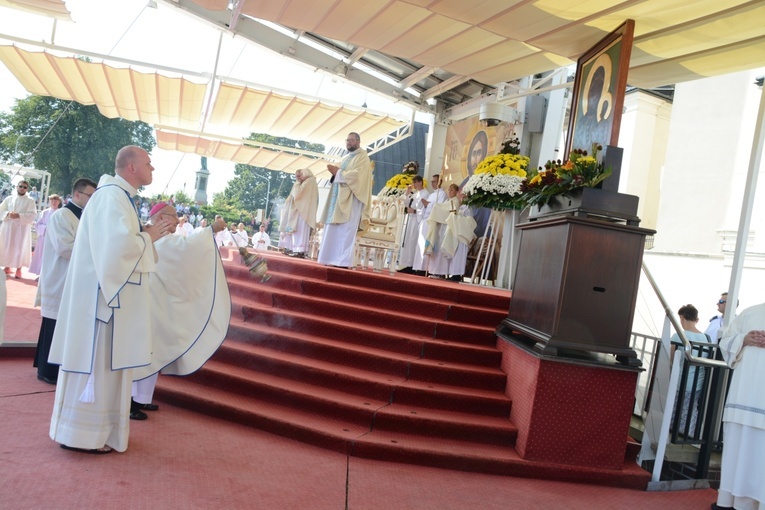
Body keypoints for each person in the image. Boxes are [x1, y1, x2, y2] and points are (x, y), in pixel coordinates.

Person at [48, 145, 176, 454]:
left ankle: (96, 432)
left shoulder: (119, 198)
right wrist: (149, 237)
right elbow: (115, 251)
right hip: (101, 305)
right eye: (148, 163)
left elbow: (120, 244)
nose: (153, 169)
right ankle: (82, 435)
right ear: (131, 167)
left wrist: (144, 234)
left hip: (106, 303)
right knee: (97, 371)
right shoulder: (111, 197)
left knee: (106, 371)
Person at [130, 202, 230, 418]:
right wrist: (210, 230)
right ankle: (129, 401)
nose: (177, 221)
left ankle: (141, 398)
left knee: (153, 349)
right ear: (160, 217)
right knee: (142, 349)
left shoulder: (162, 237)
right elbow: (185, 249)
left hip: (157, 303)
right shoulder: (151, 236)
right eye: (173, 216)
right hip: (146, 303)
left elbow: (183, 250)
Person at [33, 179, 97, 385]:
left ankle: (59, 368)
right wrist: (97, 251)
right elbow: (64, 247)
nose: (93, 200)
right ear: (77, 195)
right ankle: (47, 370)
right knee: (54, 323)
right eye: (90, 195)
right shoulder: (62, 215)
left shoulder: (86, 216)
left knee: (67, 324)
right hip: (60, 277)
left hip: (76, 279)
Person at [714, 302, 765, 510]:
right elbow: (724, 341)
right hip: (742, 398)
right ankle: (731, 502)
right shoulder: (750, 313)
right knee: (738, 454)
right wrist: (743, 339)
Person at [318, 132, 372, 268]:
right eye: (347, 140)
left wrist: (338, 173)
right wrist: (334, 173)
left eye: (351, 140)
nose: (348, 143)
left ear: (358, 142)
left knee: (345, 230)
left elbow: (358, 176)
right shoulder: (346, 157)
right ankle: (328, 258)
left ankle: (341, 261)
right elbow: (339, 175)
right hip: (338, 199)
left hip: (352, 200)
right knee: (333, 229)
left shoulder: (363, 157)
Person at [670, 304, 710, 434]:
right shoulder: (705, 338)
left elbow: (673, 360)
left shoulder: (678, 336)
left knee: (675, 408)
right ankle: (689, 433)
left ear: (681, 317)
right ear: (696, 319)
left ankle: (673, 432)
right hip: (698, 381)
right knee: (691, 409)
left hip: (681, 380)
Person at [426, 183, 476, 282]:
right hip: (454, 232)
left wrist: (456, 218)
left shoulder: (467, 208)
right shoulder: (459, 206)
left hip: (461, 235)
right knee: (452, 255)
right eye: (462, 195)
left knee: (458, 257)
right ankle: (449, 274)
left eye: (465, 196)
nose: (462, 197)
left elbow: (469, 221)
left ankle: (456, 275)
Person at [0, 180, 37, 279]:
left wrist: (19, 215)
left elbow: (32, 214)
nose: (22, 188)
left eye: (25, 187)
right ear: (17, 187)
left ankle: (18, 269)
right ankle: (7, 267)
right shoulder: (9, 198)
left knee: (20, 248)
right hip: (8, 226)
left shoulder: (30, 201)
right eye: (21, 186)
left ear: (27, 189)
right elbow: (1, 209)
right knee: (8, 246)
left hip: (21, 227)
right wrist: (8, 213)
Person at [279, 168, 319, 258]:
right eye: (297, 176)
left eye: (300, 175)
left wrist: (297, 183)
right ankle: (295, 249)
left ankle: (299, 250)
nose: (299, 178)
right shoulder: (310, 182)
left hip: (303, 213)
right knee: (297, 231)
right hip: (302, 211)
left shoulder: (309, 182)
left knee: (300, 232)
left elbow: (297, 194)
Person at [412, 174, 447, 275]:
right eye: (431, 181)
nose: (432, 183)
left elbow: (440, 208)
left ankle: (426, 269)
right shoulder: (432, 195)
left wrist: (428, 204)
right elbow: (424, 208)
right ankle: (419, 267)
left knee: (429, 246)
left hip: (433, 223)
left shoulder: (442, 194)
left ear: (440, 182)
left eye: (434, 181)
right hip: (425, 222)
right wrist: (425, 206)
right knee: (421, 245)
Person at [398, 175, 429, 273]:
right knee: (407, 242)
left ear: (420, 182)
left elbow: (425, 209)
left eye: (416, 182)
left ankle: (412, 265)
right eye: (413, 183)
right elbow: (405, 203)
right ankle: (407, 264)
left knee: (413, 242)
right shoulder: (415, 194)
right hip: (410, 220)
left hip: (416, 220)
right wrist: (407, 193)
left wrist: (415, 211)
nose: (414, 184)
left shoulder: (426, 193)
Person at [29, 194, 63, 276]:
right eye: (52, 200)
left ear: (59, 202)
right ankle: (40, 273)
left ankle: (48, 275)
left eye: (56, 200)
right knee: (42, 255)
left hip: (54, 239)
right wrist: (46, 228)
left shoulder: (61, 213)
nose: (54, 202)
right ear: (49, 201)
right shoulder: (45, 212)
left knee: (51, 257)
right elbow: (38, 224)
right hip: (44, 238)